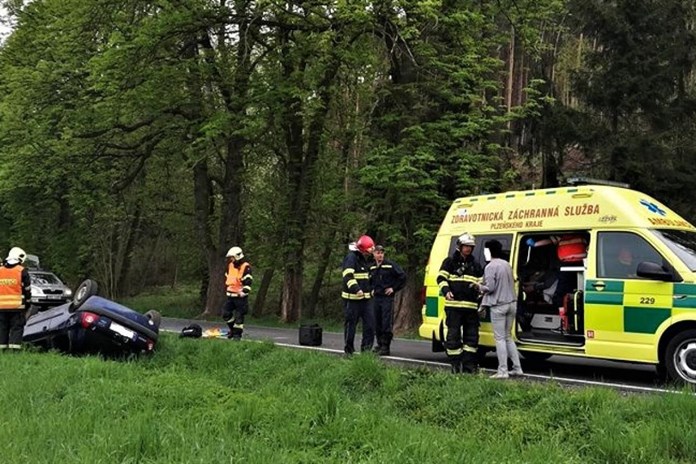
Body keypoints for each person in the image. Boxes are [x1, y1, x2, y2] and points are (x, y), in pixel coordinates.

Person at [436, 233, 483, 373]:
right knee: (453, 337)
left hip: (471, 307)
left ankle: (469, 366)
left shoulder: (475, 264)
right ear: (460, 246)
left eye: (470, 246)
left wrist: (479, 291)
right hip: (454, 307)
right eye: (466, 246)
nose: (468, 249)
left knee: (472, 338)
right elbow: (440, 278)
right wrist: (446, 291)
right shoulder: (449, 262)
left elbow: (482, 282)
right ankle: (455, 366)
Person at [478, 239, 523, 379]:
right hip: (512, 303)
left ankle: (502, 370)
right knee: (508, 336)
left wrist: (478, 286)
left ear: (489, 251)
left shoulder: (490, 267)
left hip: (499, 305)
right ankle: (517, 368)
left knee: (499, 338)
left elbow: (490, 288)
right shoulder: (506, 264)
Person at [341, 235, 376, 355]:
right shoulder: (351, 258)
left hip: (366, 299)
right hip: (352, 300)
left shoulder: (366, 259)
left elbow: (368, 277)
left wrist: (371, 290)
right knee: (351, 326)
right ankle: (349, 351)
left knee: (370, 325)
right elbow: (347, 276)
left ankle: (366, 351)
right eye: (367, 251)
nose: (369, 253)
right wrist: (357, 289)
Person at [370, 245, 407, 356]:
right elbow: (369, 280)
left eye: (382, 253)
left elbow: (402, 276)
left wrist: (394, 288)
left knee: (386, 322)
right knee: (377, 321)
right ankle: (380, 344)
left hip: (386, 298)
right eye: (378, 253)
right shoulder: (372, 267)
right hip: (376, 297)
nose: (380, 255)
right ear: (374, 254)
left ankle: (386, 346)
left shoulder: (390, 265)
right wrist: (371, 289)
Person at [0, 247, 31, 350]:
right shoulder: (21, 271)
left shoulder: (0, 271)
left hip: (1, 307)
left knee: (2, 328)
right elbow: (27, 290)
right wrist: (28, 303)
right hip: (17, 307)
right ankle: (14, 350)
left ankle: (2, 349)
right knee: (16, 328)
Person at [221, 246, 252, 340]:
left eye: (232, 257)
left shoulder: (245, 267)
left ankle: (237, 335)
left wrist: (244, 291)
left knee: (239, 316)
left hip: (240, 297)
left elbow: (248, 281)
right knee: (226, 313)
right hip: (230, 295)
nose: (231, 259)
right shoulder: (230, 265)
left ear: (237, 257)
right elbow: (228, 277)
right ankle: (233, 330)